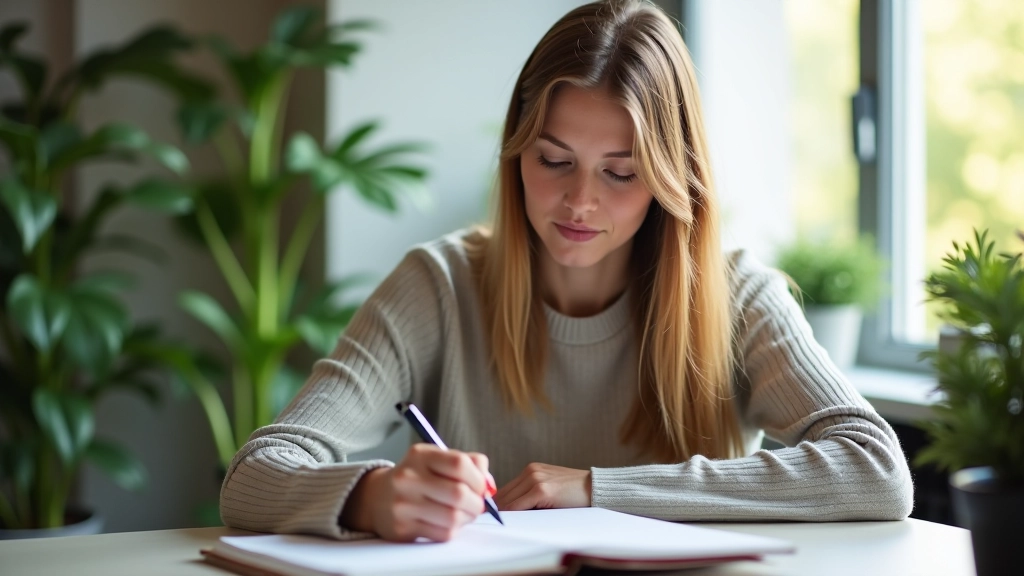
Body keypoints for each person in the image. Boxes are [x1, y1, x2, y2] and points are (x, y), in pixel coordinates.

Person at [220, 0, 914, 543]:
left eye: (621, 173)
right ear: (515, 153)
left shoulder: (735, 297)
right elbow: (255, 474)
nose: (580, 202)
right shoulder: (438, 285)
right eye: (553, 161)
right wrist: (370, 496)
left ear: (673, 183)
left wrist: (597, 491)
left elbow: (877, 472)